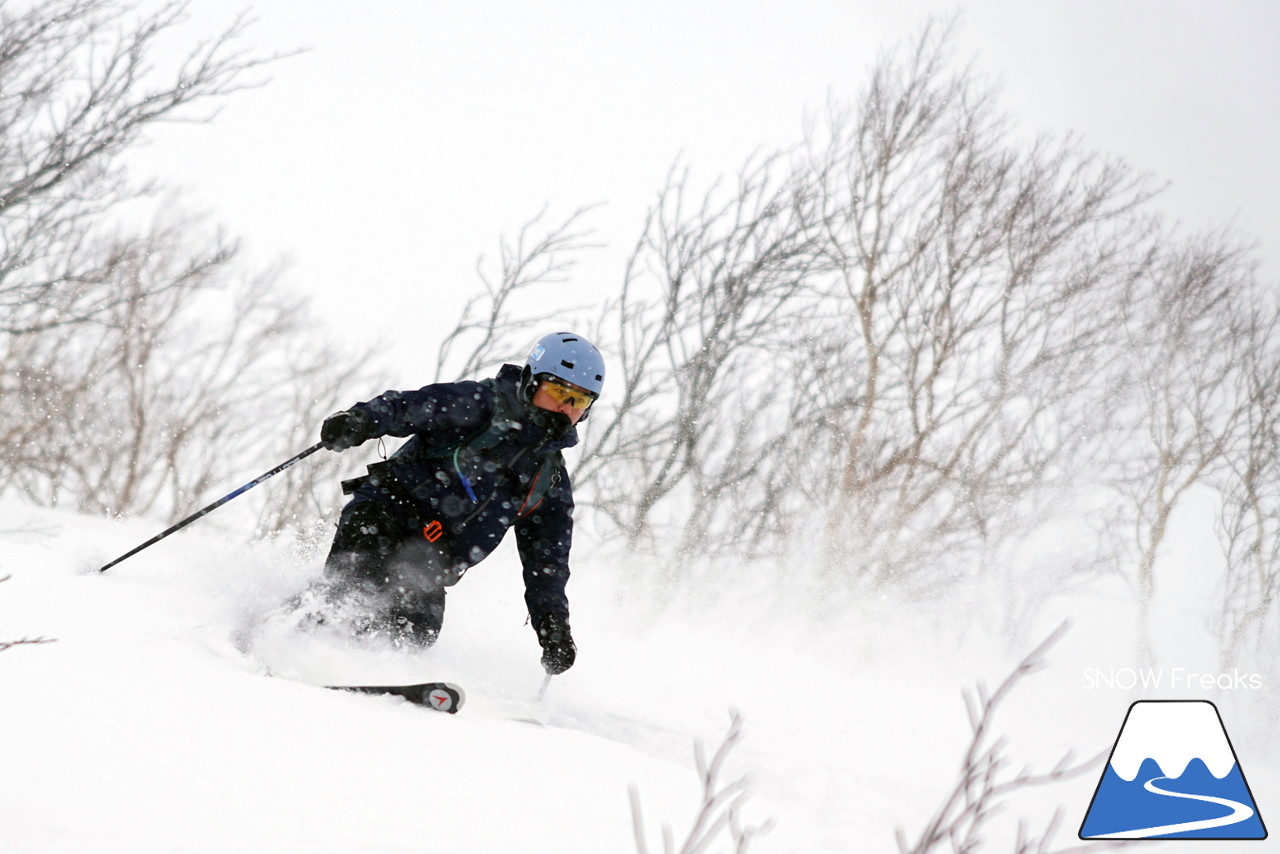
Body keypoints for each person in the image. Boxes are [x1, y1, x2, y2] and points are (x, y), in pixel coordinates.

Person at [315, 331, 604, 675]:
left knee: (415, 634)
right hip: (384, 515)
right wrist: (361, 421)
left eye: (579, 400)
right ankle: (297, 644)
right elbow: (408, 407)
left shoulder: (548, 479)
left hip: (430, 561)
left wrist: (553, 624)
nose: (565, 407)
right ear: (530, 381)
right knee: (353, 594)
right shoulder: (481, 403)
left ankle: (365, 682)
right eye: (558, 391)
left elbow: (548, 563)